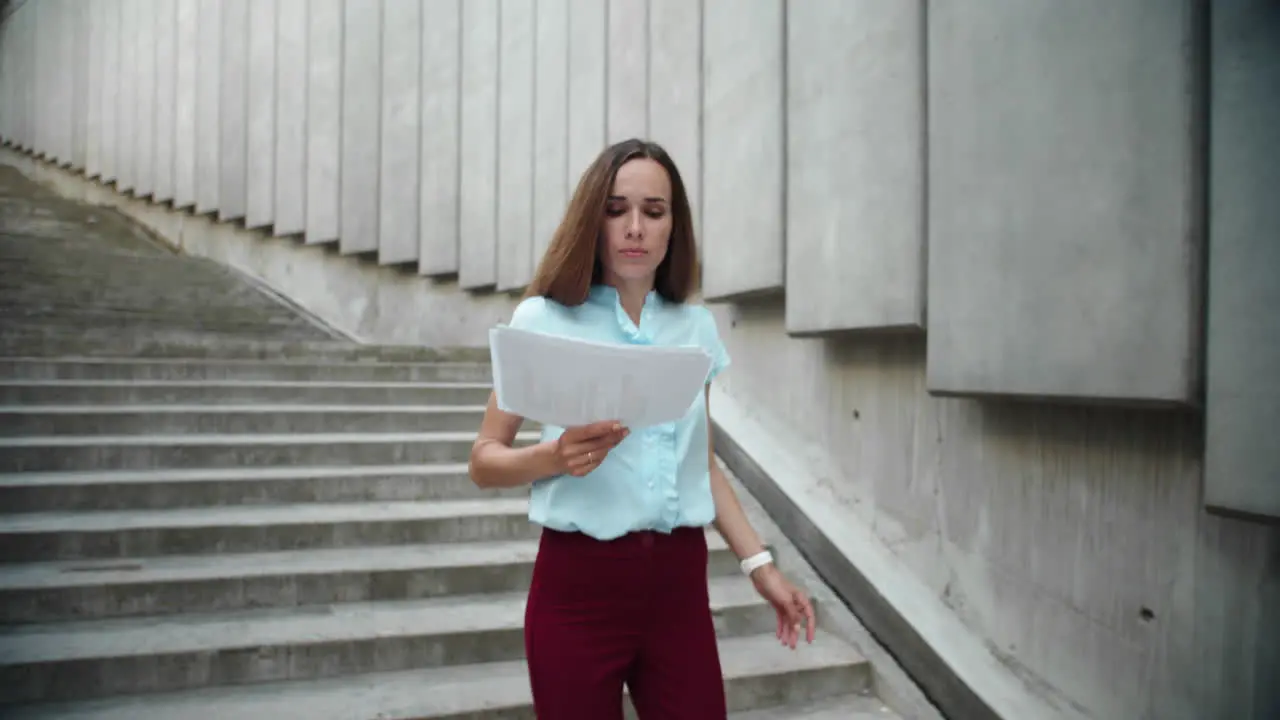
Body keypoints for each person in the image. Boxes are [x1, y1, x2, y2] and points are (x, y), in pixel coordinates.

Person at [468, 138, 816, 719]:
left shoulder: (695, 329)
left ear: (673, 226)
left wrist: (762, 567)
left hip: (678, 587)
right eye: (616, 209)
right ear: (592, 219)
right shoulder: (543, 320)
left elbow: (699, 462)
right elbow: (484, 458)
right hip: (578, 588)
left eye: (653, 212)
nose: (634, 227)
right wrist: (554, 456)